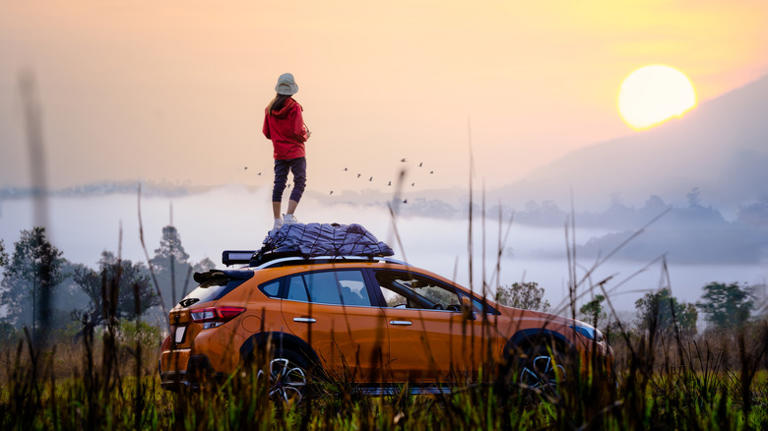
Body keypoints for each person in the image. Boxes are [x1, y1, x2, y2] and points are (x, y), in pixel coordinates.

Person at [263, 73, 310, 231]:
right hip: (296, 152)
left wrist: (279, 136)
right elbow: (298, 131)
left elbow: (267, 133)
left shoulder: (269, 109)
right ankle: (289, 216)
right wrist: (306, 136)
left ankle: (277, 220)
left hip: (279, 153)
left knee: (279, 184)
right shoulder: (294, 107)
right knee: (300, 182)